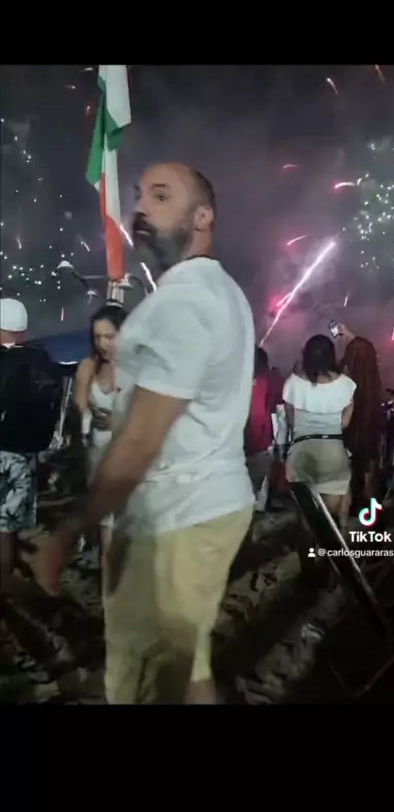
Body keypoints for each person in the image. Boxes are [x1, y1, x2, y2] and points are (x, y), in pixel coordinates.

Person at [36, 162, 254, 705]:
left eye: (160, 196)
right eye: (138, 196)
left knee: (142, 680)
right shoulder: (221, 291)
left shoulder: (184, 303)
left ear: (202, 217)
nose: (139, 208)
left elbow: (140, 439)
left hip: (177, 513)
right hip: (203, 503)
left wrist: (72, 526)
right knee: (183, 671)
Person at [0, 298, 62, 592]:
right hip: (26, 457)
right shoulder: (43, 361)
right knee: (8, 528)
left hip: (1, 453)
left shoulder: (4, 362)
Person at [283, 334, 355, 530]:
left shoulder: (293, 383)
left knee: (306, 517)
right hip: (333, 452)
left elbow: (291, 421)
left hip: (302, 452)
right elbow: (344, 423)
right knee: (329, 518)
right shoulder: (346, 385)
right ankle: (333, 544)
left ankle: (307, 549)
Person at [73, 303, 127, 554]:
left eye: (109, 336)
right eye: (97, 337)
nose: (103, 344)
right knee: (106, 526)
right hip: (97, 454)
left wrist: (119, 422)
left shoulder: (137, 367)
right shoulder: (88, 365)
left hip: (129, 454)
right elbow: (79, 410)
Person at [338, 325, 382, 503]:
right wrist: (350, 336)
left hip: (346, 444)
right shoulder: (373, 388)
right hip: (366, 444)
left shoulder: (344, 386)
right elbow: (365, 353)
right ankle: (368, 508)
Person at [244, 347, 274, 506]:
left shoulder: (232, 384)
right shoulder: (262, 384)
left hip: (242, 448)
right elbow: (259, 416)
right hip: (257, 447)